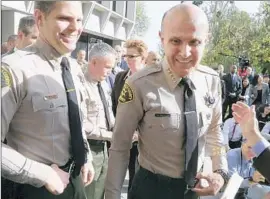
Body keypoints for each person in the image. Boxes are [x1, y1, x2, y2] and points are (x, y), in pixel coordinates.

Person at [105, 3, 228, 199]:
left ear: (206, 40)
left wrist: (220, 171)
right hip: (151, 190)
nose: (185, 52)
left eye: (194, 42)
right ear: (162, 39)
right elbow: (120, 147)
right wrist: (111, 196)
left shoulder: (211, 80)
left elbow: (215, 130)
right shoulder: (139, 84)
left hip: (194, 190)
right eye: (176, 41)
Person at [1, 2, 95, 199]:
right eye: (64, 18)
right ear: (39, 18)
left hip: (74, 181)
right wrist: (42, 174)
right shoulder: (14, 69)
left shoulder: (73, 68)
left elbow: (74, 120)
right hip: (34, 188)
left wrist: (85, 157)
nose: (75, 27)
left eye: (78, 20)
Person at [111, 39, 148, 195]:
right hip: (120, 136)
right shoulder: (120, 77)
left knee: (136, 179)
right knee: (114, 178)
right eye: (126, 56)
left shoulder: (150, 79)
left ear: (143, 58)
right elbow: (114, 105)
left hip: (142, 141)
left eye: (132, 56)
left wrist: (138, 133)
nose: (128, 60)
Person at [83, 42, 116, 199]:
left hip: (103, 149)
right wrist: (110, 135)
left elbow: (108, 113)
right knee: (88, 193)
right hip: (89, 148)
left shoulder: (103, 83)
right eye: (107, 67)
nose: (110, 72)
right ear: (94, 62)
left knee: (100, 192)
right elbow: (81, 123)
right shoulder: (80, 85)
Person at [232, 101, 270, 182]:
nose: (252, 151)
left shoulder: (255, 161)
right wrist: (251, 180)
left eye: (254, 148)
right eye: (250, 147)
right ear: (242, 143)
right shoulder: (232, 155)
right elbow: (230, 183)